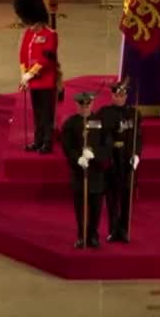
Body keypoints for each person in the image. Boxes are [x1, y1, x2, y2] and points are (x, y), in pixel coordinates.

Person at [62, 91, 111, 248]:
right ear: (77, 104)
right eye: (81, 104)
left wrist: (94, 155)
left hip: (96, 172)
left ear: (92, 104)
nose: (85, 107)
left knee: (96, 208)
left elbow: (107, 145)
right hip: (79, 173)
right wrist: (78, 159)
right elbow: (67, 148)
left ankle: (93, 236)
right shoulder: (70, 124)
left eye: (87, 104)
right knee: (80, 209)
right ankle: (81, 236)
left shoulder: (101, 122)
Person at [17, 0, 60, 154]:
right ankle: (38, 140)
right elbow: (23, 54)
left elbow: (47, 59)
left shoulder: (51, 35)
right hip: (33, 81)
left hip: (46, 80)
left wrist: (31, 74)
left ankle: (47, 143)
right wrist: (24, 75)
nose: (31, 27)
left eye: (33, 24)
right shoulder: (28, 33)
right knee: (37, 112)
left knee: (46, 113)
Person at [99, 79, 142, 243]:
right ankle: (113, 229)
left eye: (123, 95)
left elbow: (138, 137)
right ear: (112, 96)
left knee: (126, 198)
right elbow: (98, 134)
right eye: (117, 95)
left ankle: (124, 229)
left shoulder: (134, 114)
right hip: (112, 160)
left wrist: (137, 154)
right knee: (112, 198)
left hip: (127, 160)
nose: (120, 98)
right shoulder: (104, 112)